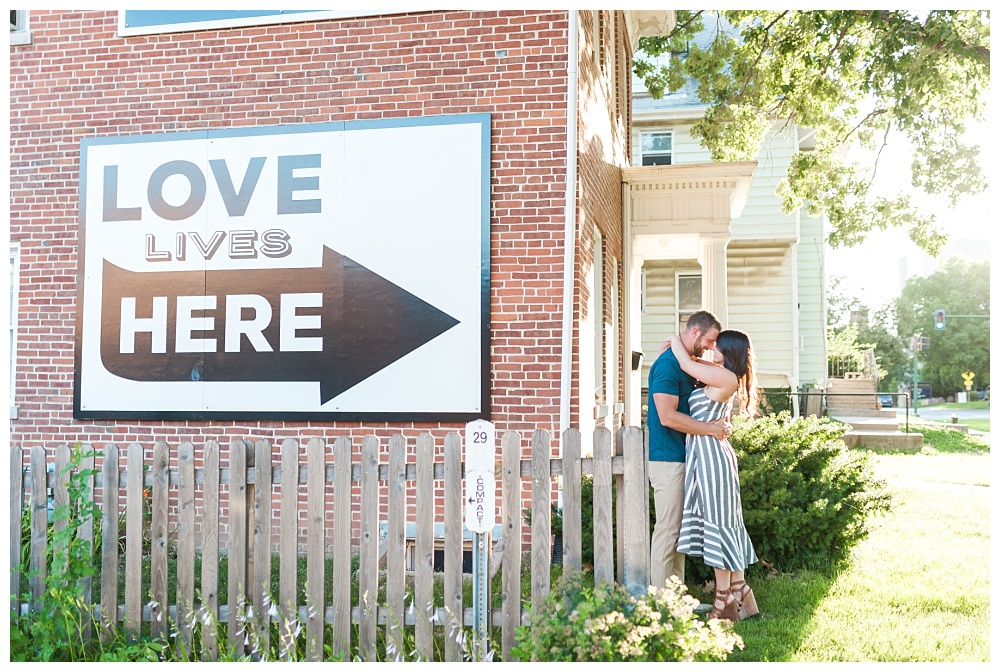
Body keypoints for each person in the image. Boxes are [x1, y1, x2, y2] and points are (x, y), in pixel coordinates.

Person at [669, 329, 760, 622]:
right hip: (706, 454)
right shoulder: (722, 373)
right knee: (724, 523)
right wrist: (693, 353)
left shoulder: (726, 378)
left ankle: (724, 601)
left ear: (729, 349)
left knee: (719, 526)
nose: (713, 348)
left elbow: (686, 364)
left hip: (711, 457)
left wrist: (674, 340)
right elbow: (696, 363)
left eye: (717, 345)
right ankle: (740, 589)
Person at [647, 310, 729, 590]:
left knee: (679, 536)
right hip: (668, 459)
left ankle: (676, 601)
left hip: (687, 459)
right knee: (667, 533)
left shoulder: (688, 363)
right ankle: (658, 607)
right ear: (695, 333)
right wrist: (711, 430)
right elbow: (667, 416)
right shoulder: (668, 365)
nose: (711, 347)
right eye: (709, 340)